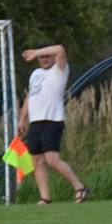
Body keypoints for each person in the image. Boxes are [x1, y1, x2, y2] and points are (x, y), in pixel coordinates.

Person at [17, 44, 89, 205]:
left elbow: (61, 49)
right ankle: (45, 197)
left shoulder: (60, 70)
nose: (43, 59)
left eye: (46, 56)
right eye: (41, 57)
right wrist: (22, 119)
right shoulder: (35, 73)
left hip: (53, 120)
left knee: (52, 159)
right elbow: (31, 97)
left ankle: (79, 187)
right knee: (37, 160)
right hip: (35, 122)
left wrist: (35, 52)